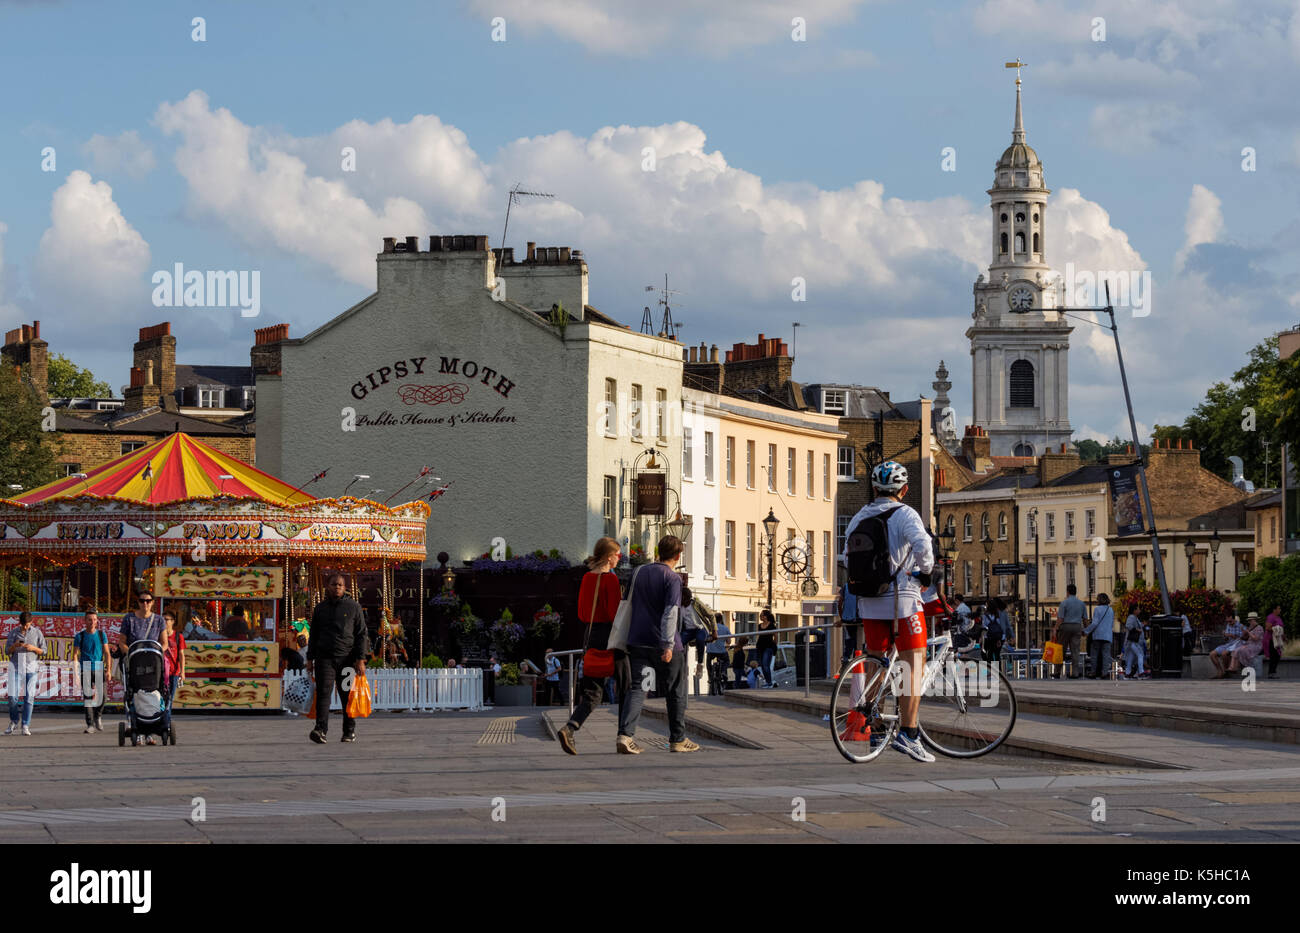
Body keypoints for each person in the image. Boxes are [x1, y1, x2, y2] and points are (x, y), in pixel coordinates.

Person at [839, 461, 937, 763]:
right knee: (913, 664)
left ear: (874, 488)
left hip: (869, 600)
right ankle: (908, 733)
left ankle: (877, 728)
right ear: (904, 490)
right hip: (903, 601)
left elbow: (846, 556)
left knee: (876, 663)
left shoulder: (860, 516)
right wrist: (925, 573)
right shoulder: (906, 514)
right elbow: (924, 547)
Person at [617, 535, 698, 754]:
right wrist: (668, 645)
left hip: (638, 642)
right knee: (675, 691)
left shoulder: (639, 572)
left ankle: (626, 735)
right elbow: (671, 612)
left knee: (639, 688)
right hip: (663, 644)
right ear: (678, 555)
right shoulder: (672, 578)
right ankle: (677, 739)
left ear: (658, 551)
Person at [556, 536, 622, 755]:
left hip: (590, 635)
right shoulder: (611, 580)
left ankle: (571, 727)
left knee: (593, 692)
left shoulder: (586, 578)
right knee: (630, 686)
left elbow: (582, 613)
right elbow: (615, 615)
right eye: (617, 554)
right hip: (609, 636)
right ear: (608, 556)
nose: (619, 558)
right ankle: (626, 735)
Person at [307, 573, 369, 744]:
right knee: (324, 694)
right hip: (324, 658)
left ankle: (349, 731)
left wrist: (360, 659)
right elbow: (313, 635)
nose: (337, 587)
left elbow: (361, 634)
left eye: (340, 585)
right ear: (328, 586)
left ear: (345, 587)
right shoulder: (320, 609)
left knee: (347, 696)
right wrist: (310, 658)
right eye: (334, 584)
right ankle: (321, 729)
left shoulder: (354, 607)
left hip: (347, 659)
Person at [5, 611, 46, 736]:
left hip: (31, 668)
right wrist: (15, 646)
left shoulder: (37, 633)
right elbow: (7, 651)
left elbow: (44, 651)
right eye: (23, 625)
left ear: (31, 622)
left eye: (27, 625)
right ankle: (14, 721)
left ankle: (25, 724)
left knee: (29, 698)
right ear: (19, 622)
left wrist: (33, 648)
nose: (25, 627)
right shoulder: (13, 633)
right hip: (16, 668)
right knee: (12, 697)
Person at [72, 609, 112, 733]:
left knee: (103, 696)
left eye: (94, 619)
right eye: (89, 619)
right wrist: (76, 675)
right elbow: (74, 655)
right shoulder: (80, 636)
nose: (92, 622)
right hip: (86, 668)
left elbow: (107, 653)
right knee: (88, 698)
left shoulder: (101, 635)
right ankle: (90, 724)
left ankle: (98, 716)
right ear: (85, 621)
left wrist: (109, 670)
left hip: (99, 668)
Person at [1050, 584, 1088, 679]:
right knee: (1075, 651)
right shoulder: (1081, 604)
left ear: (1067, 592)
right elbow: (1085, 619)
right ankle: (1075, 673)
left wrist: (1055, 628)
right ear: (1076, 592)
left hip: (1065, 627)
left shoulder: (1064, 603)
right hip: (1077, 627)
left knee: (1061, 650)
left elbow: (1060, 619)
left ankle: (1057, 671)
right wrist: (1086, 630)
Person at [1082, 594, 1114, 679]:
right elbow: (1112, 624)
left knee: (1094, 654)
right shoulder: (1110, 610)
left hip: (1098, 635)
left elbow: (1095, 623)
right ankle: (1105, 673)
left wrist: (1086, 631)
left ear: (1099, 600)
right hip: (1107, 635)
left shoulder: (1097, 609)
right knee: (1106, 655)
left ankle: (1093, 672)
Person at [162, 610, 187, 710]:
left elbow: (181, 655)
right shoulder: (158, 636)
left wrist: (182, 672)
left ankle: (167, 719)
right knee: (160, 697)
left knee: (170, 698)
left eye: (166, 620)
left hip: (173, 672)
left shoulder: (178, 636)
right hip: (161, 672)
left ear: (172, 621)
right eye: (162, 619)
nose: (164, 622)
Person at [1210, 613, 1245, 678]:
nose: (1229, 623)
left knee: (1224, 654)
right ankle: (1220, 671)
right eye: (1227, 621)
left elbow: (1243, 638)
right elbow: (1226, 639)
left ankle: (1226, 672)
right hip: (1229, 644)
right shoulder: (1228, 625)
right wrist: (1225, 635)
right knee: (1212, 654)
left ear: (1234, 619)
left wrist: (1231, 635)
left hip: (1237, 644)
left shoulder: (1240, 626)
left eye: (1230, 621)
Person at [706, 613, 731, 695]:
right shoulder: (725, 628)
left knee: (708, 662)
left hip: (711, 651)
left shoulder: (709, 627)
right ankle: (723, 671)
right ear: (721, 619)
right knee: (727, 661)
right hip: (721, 651)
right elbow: (728, 642)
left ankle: (710, 676)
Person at [756, 609, 778, 688]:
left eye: (761, 615)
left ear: (765, 616)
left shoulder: (771, 625)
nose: (760, 617)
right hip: (760, 647)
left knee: (766, 665)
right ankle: (767, 681)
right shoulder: (759, 625)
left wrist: (774, 646)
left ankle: (769, 683)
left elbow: (775, 637)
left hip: (768, 647)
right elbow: (759, 636)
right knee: (762, 665)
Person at [1123, 610, 1147, 678]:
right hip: (1134, 642)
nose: (1139, 610)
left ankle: (1128, 672)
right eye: (1137, 608)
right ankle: (1141, 672)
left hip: (1132, 642)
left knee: (1131, 657)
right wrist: (1137, 629)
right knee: (1140, 655)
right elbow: (1129, 626)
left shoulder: (1135, 618)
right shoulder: (1132, 618)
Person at [1266, 606, 1285, 680]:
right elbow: (1267, 627)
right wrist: (1276, 628)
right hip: (1271, 639)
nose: (1280, 610)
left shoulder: (1279, 618)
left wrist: (1284, 637)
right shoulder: (1271, 617)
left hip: (1278, 639)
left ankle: (1272, 672)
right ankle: (1271, 673)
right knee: (1274, 656)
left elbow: (1281, 628)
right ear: (1274, 610)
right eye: (1279, 608)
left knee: (1277, 656)